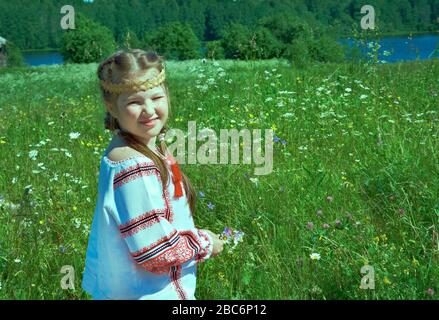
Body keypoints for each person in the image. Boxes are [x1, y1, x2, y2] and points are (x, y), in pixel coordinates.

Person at [81, 49, 224, 300]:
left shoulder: (145, 145)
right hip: (150, 293)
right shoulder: (134, 164)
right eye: (135, 102)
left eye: (156, 97)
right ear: (111, 107)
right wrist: (206, 243)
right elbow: (155, 252)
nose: (149, 110)